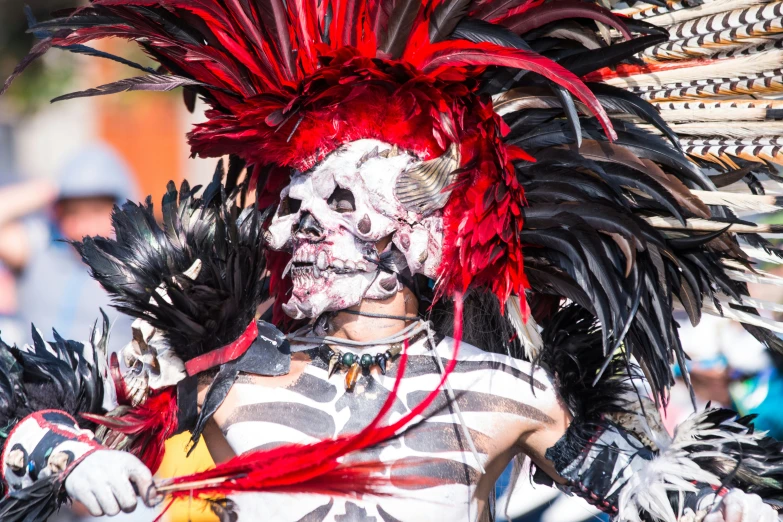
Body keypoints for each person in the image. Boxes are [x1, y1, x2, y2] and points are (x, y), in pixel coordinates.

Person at [2, 1, 783, 521]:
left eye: (340, 204)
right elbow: (29, 407)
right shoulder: (225, 375)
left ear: (419, 235)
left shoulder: (501, 388)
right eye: (293, 206)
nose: (300, 226)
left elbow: (661, 493)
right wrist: (67, 457)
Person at [0, 145, 137, 351]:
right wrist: (52, 187)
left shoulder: (139, 265)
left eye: (96, 211)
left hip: (114, 381)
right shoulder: (39, 247)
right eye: (73, 213)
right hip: (33, 380)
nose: (84, 227)